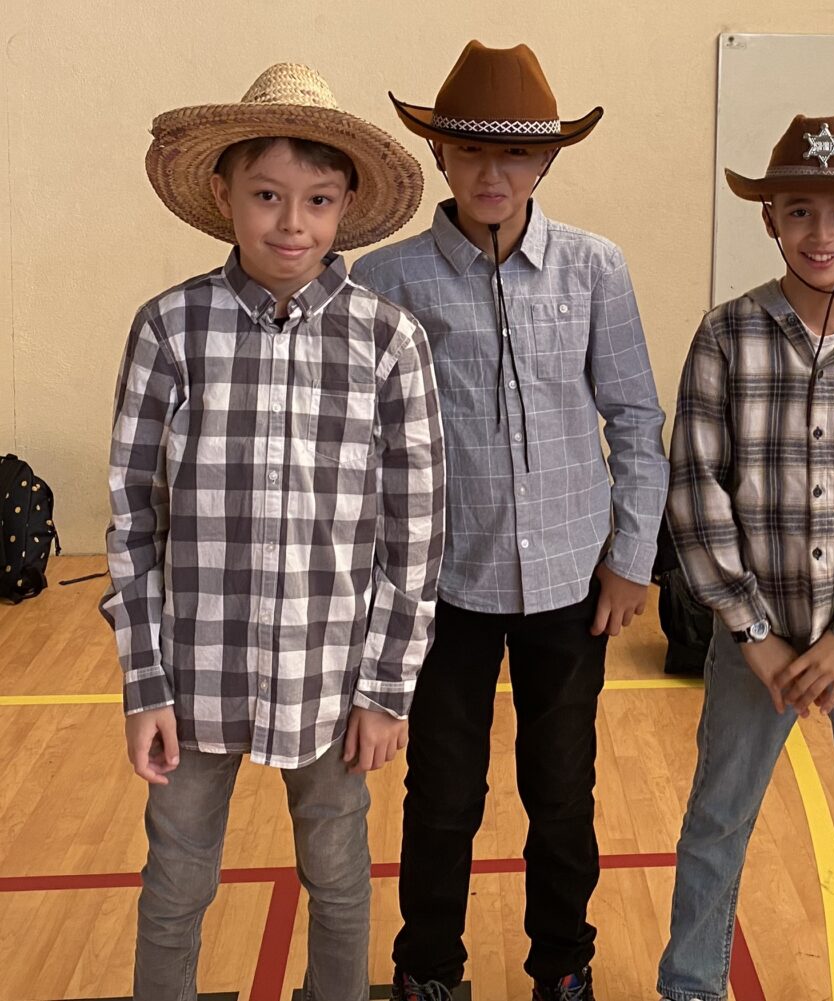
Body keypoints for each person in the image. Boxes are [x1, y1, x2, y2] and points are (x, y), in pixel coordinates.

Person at [101, 62, 445, 1001]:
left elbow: (415, 533)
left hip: (331, 676)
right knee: (176, 880)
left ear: (346, 206)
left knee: (338, 874)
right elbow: (132, 515)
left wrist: (386, 688)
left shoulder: (388, 341)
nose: (292, 224)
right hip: (193, 671)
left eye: (317, 200)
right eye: (266, 195)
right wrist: (143, 683)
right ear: (224, 194)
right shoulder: (170, 329)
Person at [350, 39, 669, 1001]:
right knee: (443, 793)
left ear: (547, 160)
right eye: (471, 150)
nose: (494, 173)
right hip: (443, 585)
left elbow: (635, 419)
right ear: (439, 154)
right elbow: (365, 444)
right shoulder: (388, 280)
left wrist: (632, 558)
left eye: (518, 153)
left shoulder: (595, 268)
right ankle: (428, 968)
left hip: (572, 583)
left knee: (563, 791)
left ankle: (562, 963)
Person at [658, 114, 834, 1001]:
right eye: (800, 212)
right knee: (718, 817)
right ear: (769, 219)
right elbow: (696, 488)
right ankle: (690, 984)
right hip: (759, 636)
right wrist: (751, 631)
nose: (823, 234)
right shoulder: (726, 336)